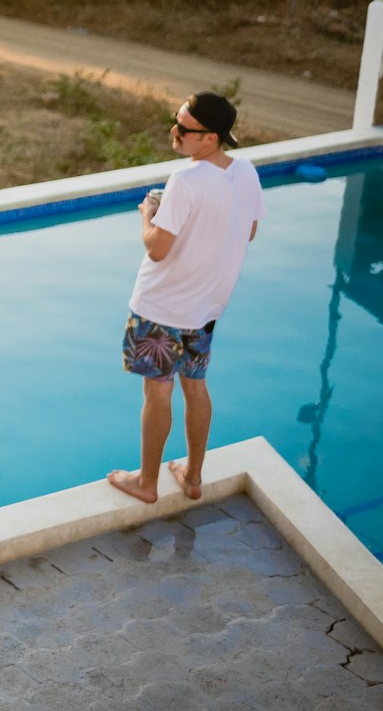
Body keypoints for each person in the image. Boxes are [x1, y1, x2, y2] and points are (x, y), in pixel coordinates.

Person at [107, 91, 266, 504]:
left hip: (161, 307)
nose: (174, 131)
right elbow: (247, 230)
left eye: (184, 128)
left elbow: (157, 249)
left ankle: (146, 483)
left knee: (157, 392)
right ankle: (193, 477)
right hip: (206, 309)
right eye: (176, 120)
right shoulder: (246, 171)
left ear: (210, 138)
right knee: (195, 386)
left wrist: (149, 213)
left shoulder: (185, 181)